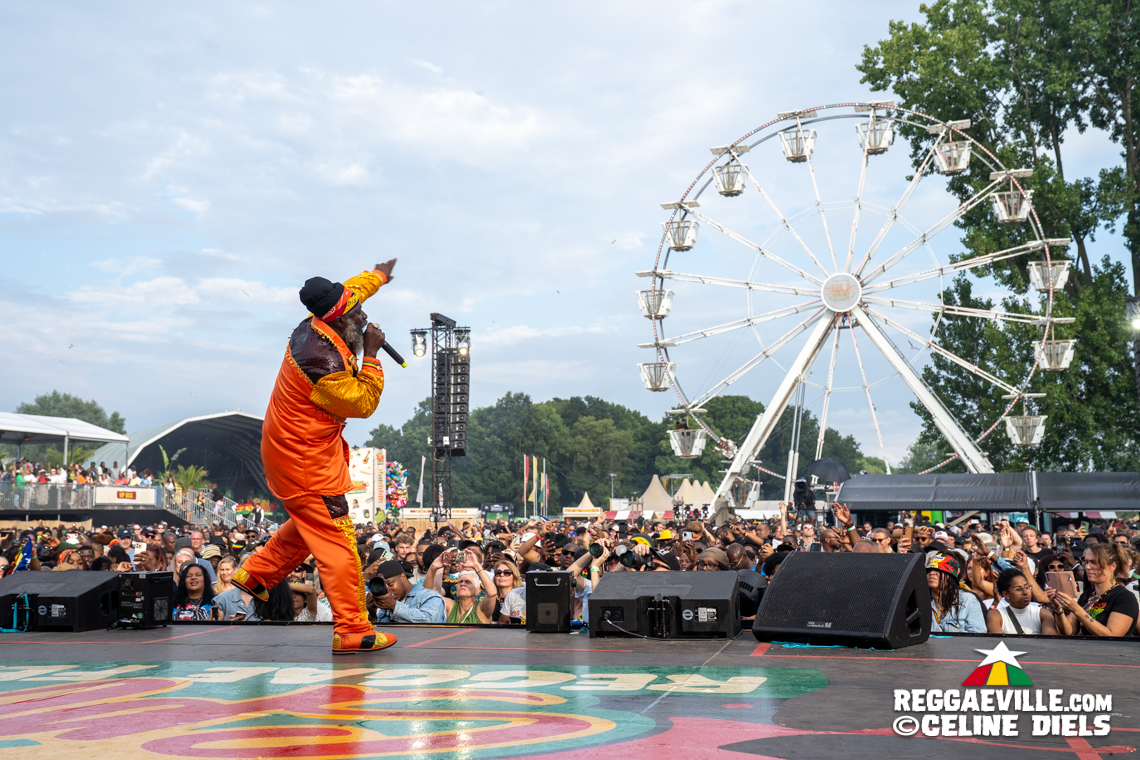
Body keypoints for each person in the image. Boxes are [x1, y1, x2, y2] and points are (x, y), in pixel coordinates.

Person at [234, 260, 399, 655]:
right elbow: (362, 403)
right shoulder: (320, 361)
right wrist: (371, 354)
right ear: (338, 319)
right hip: (305, 460)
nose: (363, 317)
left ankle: (256, 574)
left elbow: (356, 288)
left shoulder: (320, 318)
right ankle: (353, 630)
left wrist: (379, 276)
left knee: (310, 523)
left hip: (289, 450)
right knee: (337, 542)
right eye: (356, 315)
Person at [1048, 543, 1138, 637]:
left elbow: (1112, 636)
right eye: (1086, 562)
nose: (1087, 567)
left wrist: (1077, 610)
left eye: (1094, 562)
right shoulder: (1088, 594)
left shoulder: (1125, 598)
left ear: (1112, 566)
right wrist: (1058, 608)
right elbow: (1069, 631)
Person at [985, 568, 1056, 635]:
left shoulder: (1043, 614)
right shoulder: (997, 615)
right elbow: (997, 642)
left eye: (1027, 587)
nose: (1025, 592)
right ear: (1006, 594)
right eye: (1018, 589)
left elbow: (1050, 641)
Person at [372, 560, 446, 624]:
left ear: (403, 577)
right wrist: (373, 616)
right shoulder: (387, 604)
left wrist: (394, 606)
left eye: (390, 584)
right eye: (384, 587)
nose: (387, 589)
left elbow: (430, 622)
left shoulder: (430, 597)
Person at [927, 553, 985, 633]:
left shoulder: (968, 600)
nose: (932, 573)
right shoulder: (919, 601)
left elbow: (977, 634)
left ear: (951, 575)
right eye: (929, 570)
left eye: (939, 570)